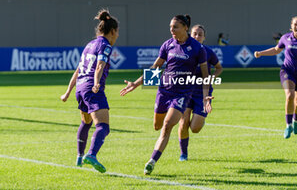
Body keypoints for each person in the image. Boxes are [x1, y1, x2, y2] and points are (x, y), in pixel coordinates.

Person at [120, 15, 213, 175]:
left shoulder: (198, 48)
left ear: (185, 28)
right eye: (171, 26)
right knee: (157, 125)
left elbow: (205, 76)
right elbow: (155, 68)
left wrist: (206, 97)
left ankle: (152, 161)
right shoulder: (168, 45)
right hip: (164, 91)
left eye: (175, 27)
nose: (172, 30)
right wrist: (136, 84)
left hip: (182, 94)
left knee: (167, 126)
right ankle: (156, 154)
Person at [60, 9, 119, 173]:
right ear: (113, 31)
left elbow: (78, 70)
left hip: (80, 88)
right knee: (103, 127)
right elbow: (100, 65)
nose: (117, 36)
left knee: (86, 122)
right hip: (92, 88)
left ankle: (79, 157)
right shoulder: (105, 45)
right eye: (117, 33)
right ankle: (91, 154)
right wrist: (96, 82)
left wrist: (67, 92)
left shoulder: (89, 45)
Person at [254, 16, 297, 139]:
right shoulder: (286, 38)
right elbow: (276, 50)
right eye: (295, 24)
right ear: (291, 26)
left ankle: (295, 121)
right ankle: (288, 125)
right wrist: (261, 53)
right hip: (287, 71)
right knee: (289, 95)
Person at [178, 24, 223, 161]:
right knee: (183, 121)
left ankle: (200, 120)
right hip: (186, 91)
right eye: (195, 34)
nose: (197, 36)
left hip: (203, 92)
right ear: (190, 35)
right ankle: (183, 154)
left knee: (195, 128)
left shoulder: (208, 52)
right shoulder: (184, 50)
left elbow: (219, 68)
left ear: (204, 38)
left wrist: (212, 77)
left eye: (200, 34)